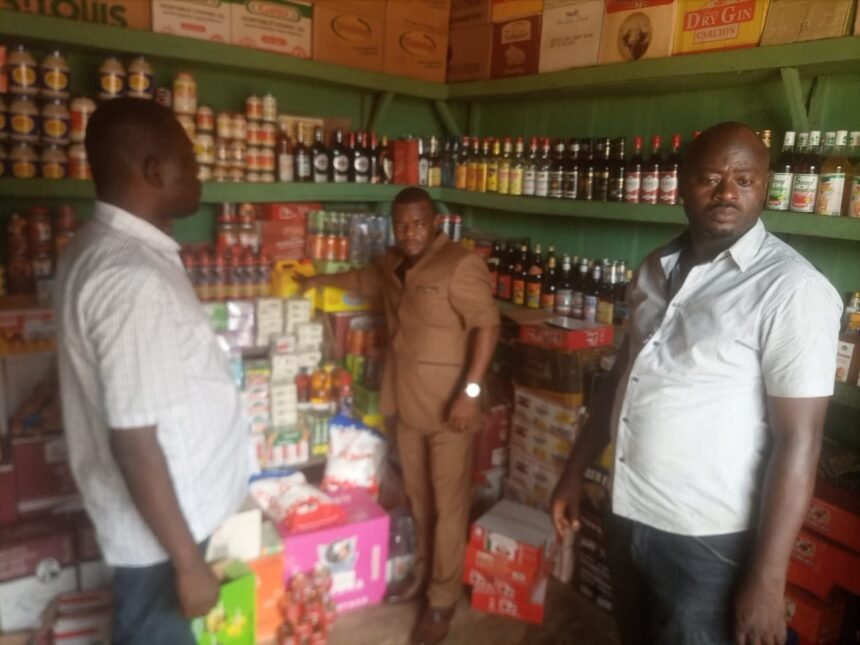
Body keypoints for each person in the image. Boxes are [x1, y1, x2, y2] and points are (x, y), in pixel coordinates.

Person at [550, 122, 842, 645]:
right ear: (682, 183)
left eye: (744, 180)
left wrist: (768, 578)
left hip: (707, 541)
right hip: (626, 510)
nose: (727, 192)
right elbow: (623, 377)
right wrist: (574, 474)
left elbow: (800, 438)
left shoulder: (791, 290)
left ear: (765, 186)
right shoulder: (654, 268)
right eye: (710, 178)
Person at [54, 98, 250, 644]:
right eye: (189, 159)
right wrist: (188, 564)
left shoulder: (107, 249)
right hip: (163, 537)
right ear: (154, 170)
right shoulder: (130, 278)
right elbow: (135, 443)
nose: (198, 172)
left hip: (167, 521)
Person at [301, 187, 500, 645]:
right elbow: (360, 280)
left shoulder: (459, 264)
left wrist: (470, 393)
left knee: (449, 506)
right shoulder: (392, 263)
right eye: (402, 225)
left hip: (451, 408)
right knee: (419, 498)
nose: (409, 233)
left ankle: (442, 601)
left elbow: (487, 326)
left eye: (418, 224)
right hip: (406, 402)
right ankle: (423, 575)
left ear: (435, 223)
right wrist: (315, 282)